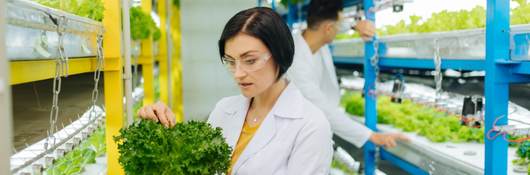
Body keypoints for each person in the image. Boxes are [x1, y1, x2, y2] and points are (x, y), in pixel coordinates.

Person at [138, 7, 333, 175]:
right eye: (231, 61)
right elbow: (199, 167)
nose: (238, 74)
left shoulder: (311, 126)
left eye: (250, 60)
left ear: (279, 54)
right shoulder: (224, 109)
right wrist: (166, 134)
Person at [287, 0, 409, 149]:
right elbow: (324, 110)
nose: (340, 29)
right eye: (338, 26)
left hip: (315, 132)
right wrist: (372, 135)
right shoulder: (295, 61)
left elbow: (337, 24)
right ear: (329, 28)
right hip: (300, 140)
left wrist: (355, 25)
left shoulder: (315, 38)